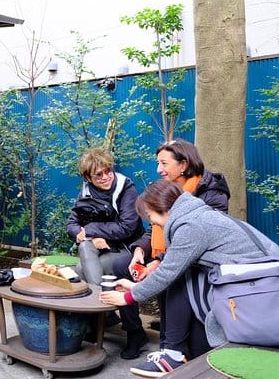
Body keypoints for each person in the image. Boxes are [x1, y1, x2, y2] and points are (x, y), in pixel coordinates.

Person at [100, 180, 279, 377]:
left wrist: (129, 297)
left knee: (179, 277)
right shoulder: (197, 215)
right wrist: (135, 285)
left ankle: (173, 354)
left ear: (159, 207)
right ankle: (173, 353)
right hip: (253, 282)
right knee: (185, 274)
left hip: (261, 290)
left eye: (150, 216)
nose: (152, 223)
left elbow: (167, 272)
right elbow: (173, 265)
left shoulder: (191, 226)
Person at [112, 139, 231, 360]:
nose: (159, 169)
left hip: (200, 260)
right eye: (158, 163)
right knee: (121, 265)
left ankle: (171, 347)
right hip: (170, 253)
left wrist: (158, 261)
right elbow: (155, 226)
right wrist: (140, 250)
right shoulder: (169, 189)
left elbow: (196, 240)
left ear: (184, 164)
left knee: (174, 277)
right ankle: (136, 333)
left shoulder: (210, 191)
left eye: (164, 163)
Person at [65, 147, 146, 357]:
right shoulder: (86, 193)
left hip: (130, 249)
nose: (105, 177)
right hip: (103, 250)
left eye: (107, 170)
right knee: (81, 257)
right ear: (88, 177)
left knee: (84, 269)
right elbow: (72, 223)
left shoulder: (125, 187)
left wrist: (92, 231)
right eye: (98, 174)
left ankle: (131, 330)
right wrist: (81, 235)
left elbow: (128, 226)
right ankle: (103, 315)